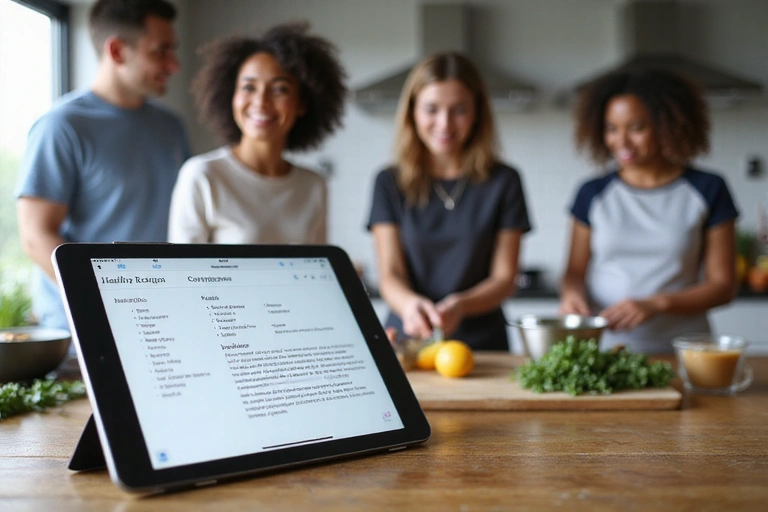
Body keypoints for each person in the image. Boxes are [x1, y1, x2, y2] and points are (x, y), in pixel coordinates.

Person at [15, 0, 190, 332]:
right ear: (117, 50)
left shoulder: (171, 127)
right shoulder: (62, 126)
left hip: (159, 321)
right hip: (84, 326)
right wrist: (106, 301)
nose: (174, 65)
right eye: (160, 51)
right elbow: (35, 236)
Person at [559, 67, 739, 353]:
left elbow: (723, 286)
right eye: (612, 128)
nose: (622, 142)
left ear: (667, 125)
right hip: (605, 348)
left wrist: (657, 303)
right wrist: (572, 295)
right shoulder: (592, 193)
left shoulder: (708, 189)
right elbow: (574, 272)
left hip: (684, 349)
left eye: (637, 127)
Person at [367, 52, 532, 351]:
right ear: (412, 111)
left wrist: (460, 305)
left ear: (477, 113)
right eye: (432, 109)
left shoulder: (504, 181)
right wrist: (410, 304)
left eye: (459, 110)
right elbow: (390, 274)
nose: (444, 123)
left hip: (482, 345)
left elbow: (505, 278)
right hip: (407, 339)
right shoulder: (388, 182)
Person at [167, 23, 347, 244]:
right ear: (231, 97)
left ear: (302, 103)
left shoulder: (313, 186)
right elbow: (183, 272)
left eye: (280, 89)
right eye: (248, 87)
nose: (261, 102)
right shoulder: (202, 176)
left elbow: (318, 268)